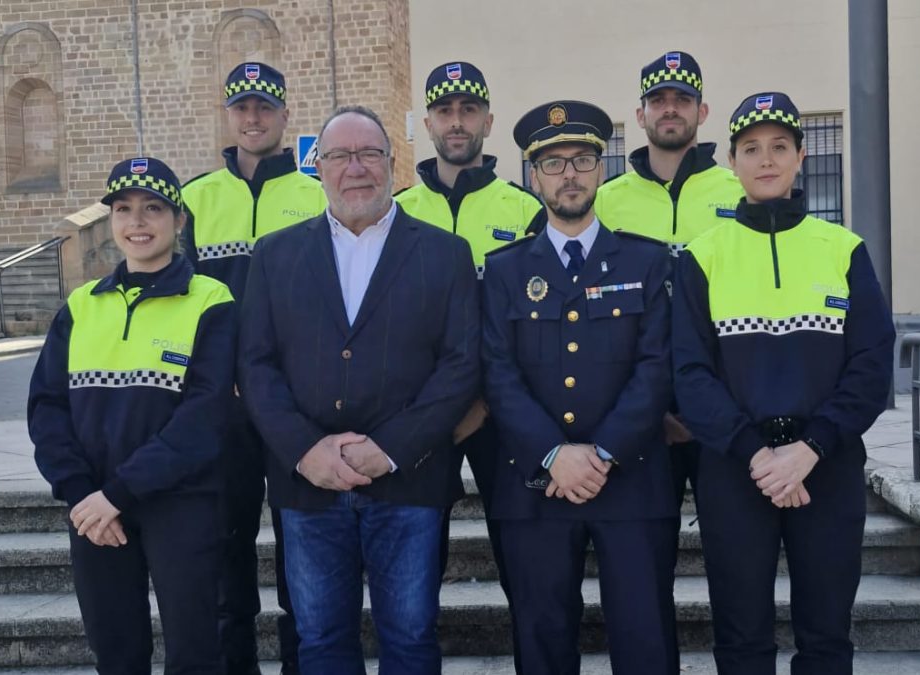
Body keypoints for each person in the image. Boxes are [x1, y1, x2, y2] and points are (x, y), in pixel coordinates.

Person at [238, 105, 480, 675]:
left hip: (410, 480)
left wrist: (391, 448)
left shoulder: (446, 253)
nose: (356, 168)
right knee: (320, 642)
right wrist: (305, 451)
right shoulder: (274, 255)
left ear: (393, 163)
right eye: (340, 156)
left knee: (412, 639)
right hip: (309, 485)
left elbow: (461, 366)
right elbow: (255, 366)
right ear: (318, 167)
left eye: (369, 153)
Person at [671, 92, 895, 674]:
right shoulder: (701, 256)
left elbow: (872, 365)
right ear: (732, 162)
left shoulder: (843, 250)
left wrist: (809, 448)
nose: (765, 159)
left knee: (826, 635)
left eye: (778, 147)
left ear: (801, 156)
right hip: (735, 468)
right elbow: (690, 373)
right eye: (750, 149)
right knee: (741, 637)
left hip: (827, 464)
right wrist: (759, 457)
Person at [483, 100, 679, 675]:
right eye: (553, 163)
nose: (568, 174)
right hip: (536, 484)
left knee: (645, 641)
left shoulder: (646, 262)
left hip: (631, 478)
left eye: (582, 160)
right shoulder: (504, 270)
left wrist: (602, 453)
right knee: (541, 642)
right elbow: (497, 372)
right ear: (534, 177)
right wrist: (554, 454)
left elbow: (656, 367)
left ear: (601, 169)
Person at [28, 157, 236, 674]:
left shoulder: (211, 300)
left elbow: (204, 417)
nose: (137, 222)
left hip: (182, 503)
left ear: (179, 220)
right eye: (123, 209)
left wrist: (117, 494)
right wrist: (81, 494)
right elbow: (47, 408)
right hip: (94, 509)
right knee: (116, 653)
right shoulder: (81, 305)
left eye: (153, 209)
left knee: (195, 653)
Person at [394, 60, 542, 670]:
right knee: (414, 571)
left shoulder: (525, 209)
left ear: (488, 120)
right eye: (445, 110)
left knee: (525, 566)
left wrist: (485, 400)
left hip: (503, 415)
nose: (457, 121)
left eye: (468, 110)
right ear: (427, 123)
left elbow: (533, 325)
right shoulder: (395, 211)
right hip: (421, 416)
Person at [182, 61, 327, 675]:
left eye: (264, 107)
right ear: (228, 115)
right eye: (241, 107)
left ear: (284, 115)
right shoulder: (194, 199)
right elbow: (182, 303)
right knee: (225, 554)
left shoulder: (317, 193)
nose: (252, 118)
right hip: (222, 409)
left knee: (304, 558)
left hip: (297, 405)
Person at [593, 50, 744, 547]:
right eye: (658, 100)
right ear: (640, 115)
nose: (671, 108)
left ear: (703, 111)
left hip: (723, 403)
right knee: (642, 560)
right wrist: (642, 407)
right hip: (636, 408)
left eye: (683, 99)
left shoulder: (738, 191)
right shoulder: (606, 200)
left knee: (733, 553)